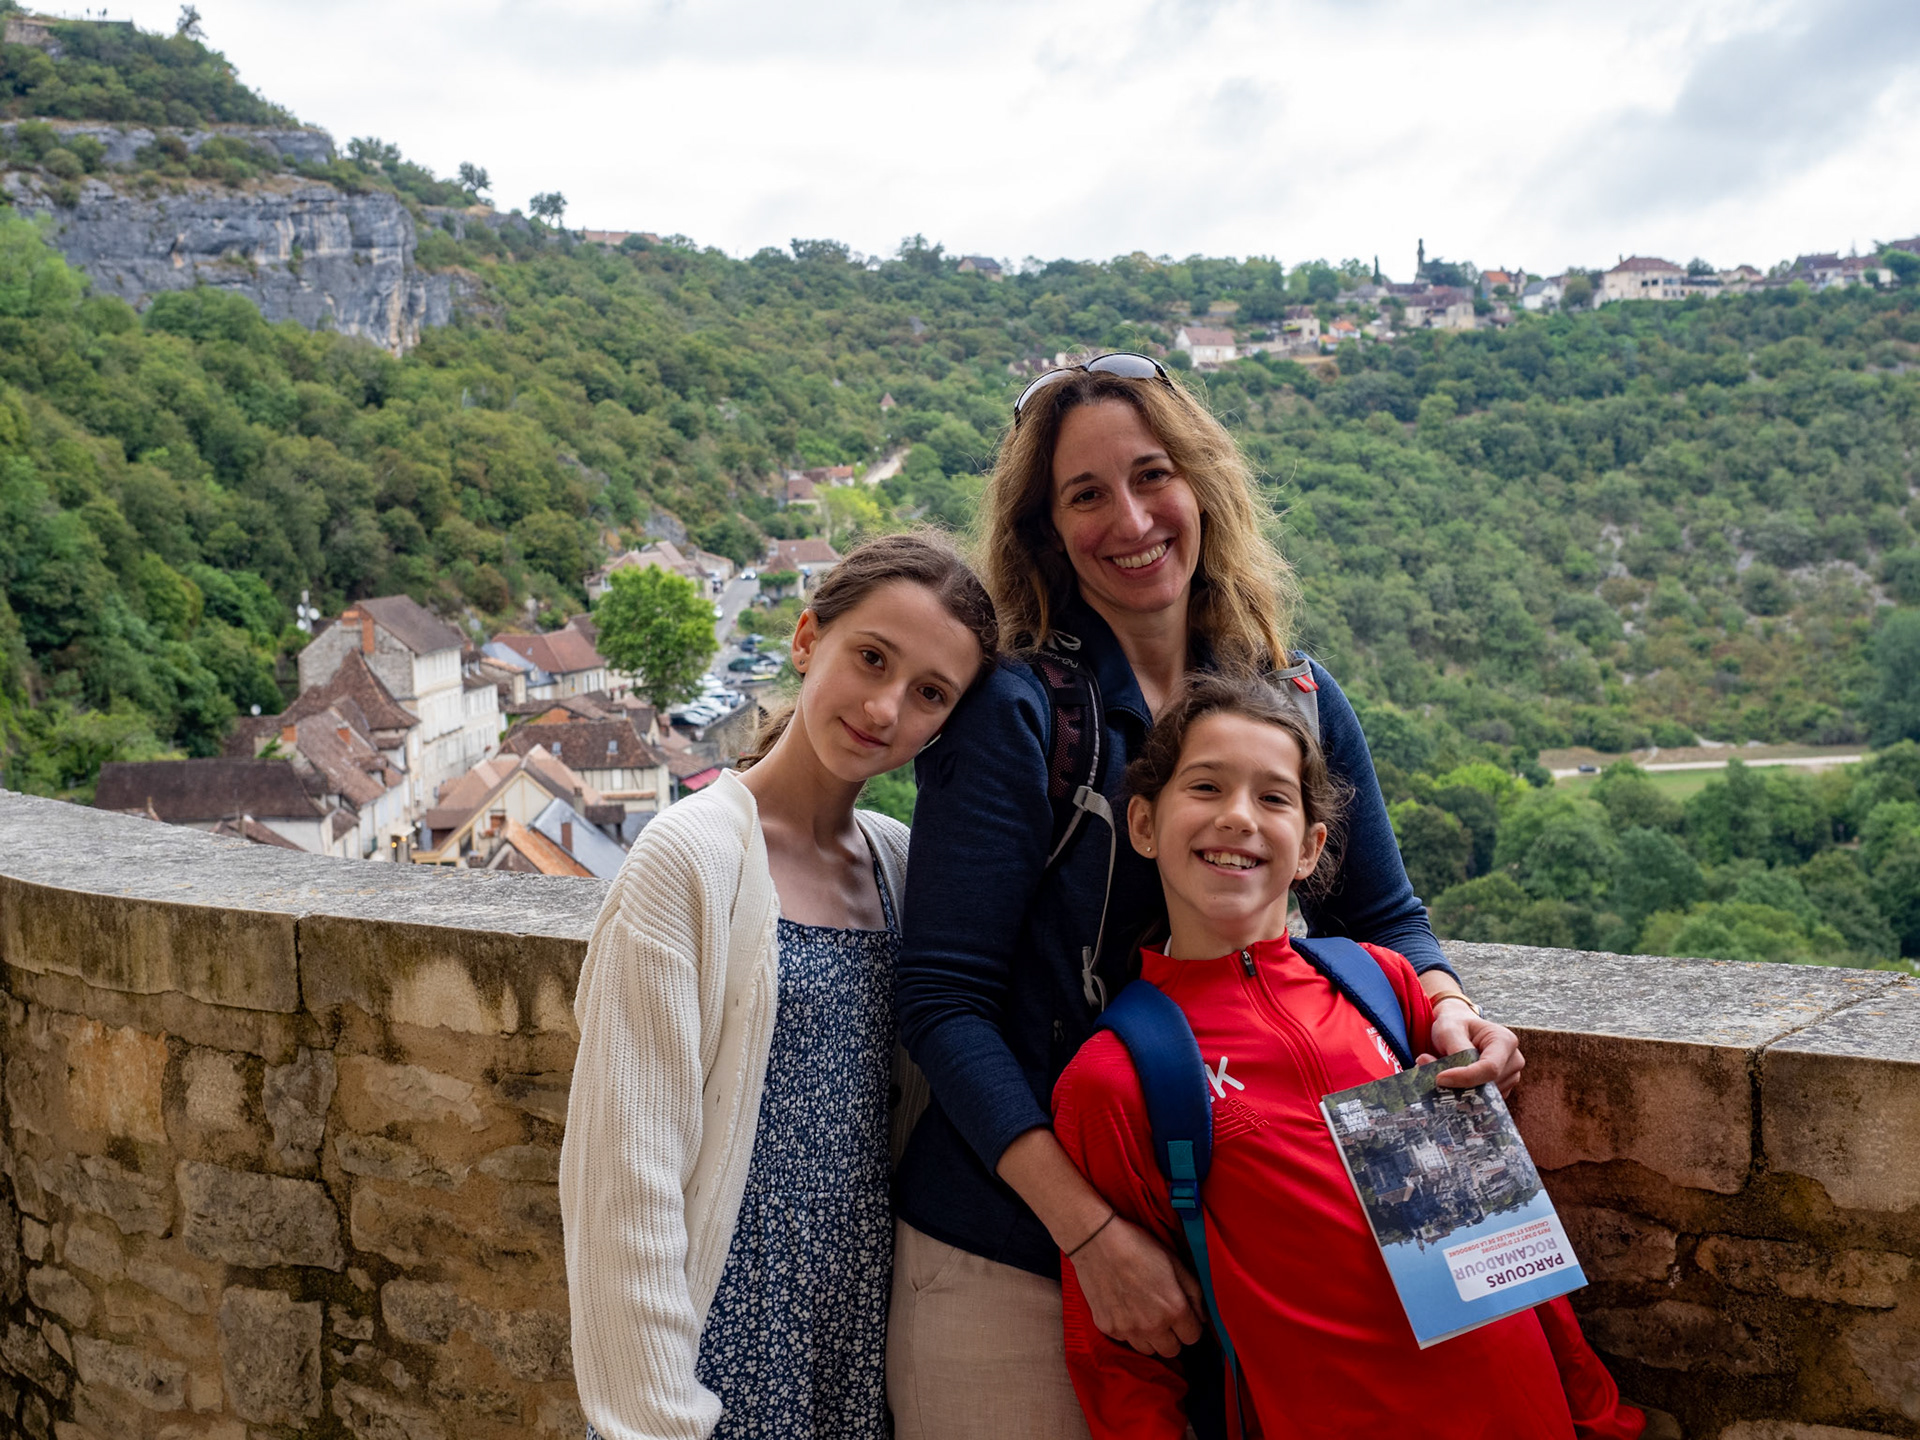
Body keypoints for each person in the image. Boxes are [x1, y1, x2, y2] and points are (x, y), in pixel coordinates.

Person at [889, 355, 1625, 1439]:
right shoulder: (1020, 713)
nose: (1130, 518)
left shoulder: (1295, 693)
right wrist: (1092, 1234)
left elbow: (1383, 918)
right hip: (1017, 1245)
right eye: (1085, 495)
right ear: (1047, 530)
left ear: (1201, 485)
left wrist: (1449, 1008)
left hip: (1239, 1247)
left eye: (1153, 475)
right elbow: (944, 1001)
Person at [1052, 673, 1575, 1438]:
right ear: (1143, 823)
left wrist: (1597, 1414)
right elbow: (1122, 1362)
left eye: (1273, 797)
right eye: (1206, 786)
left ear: (1310, 847)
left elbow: (1505, 1245)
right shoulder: (1120, 1074)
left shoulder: (1384, 987)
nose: (1238, 816)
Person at [561, 533, 998, 1440]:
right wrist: (657, 1418)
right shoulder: (691, 858)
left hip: (850, 1347)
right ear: (807, 640)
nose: (885, 707)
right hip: (715, 1345)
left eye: (930, 693)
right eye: (871, 658)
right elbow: (624, 1175)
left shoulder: (901, 866)